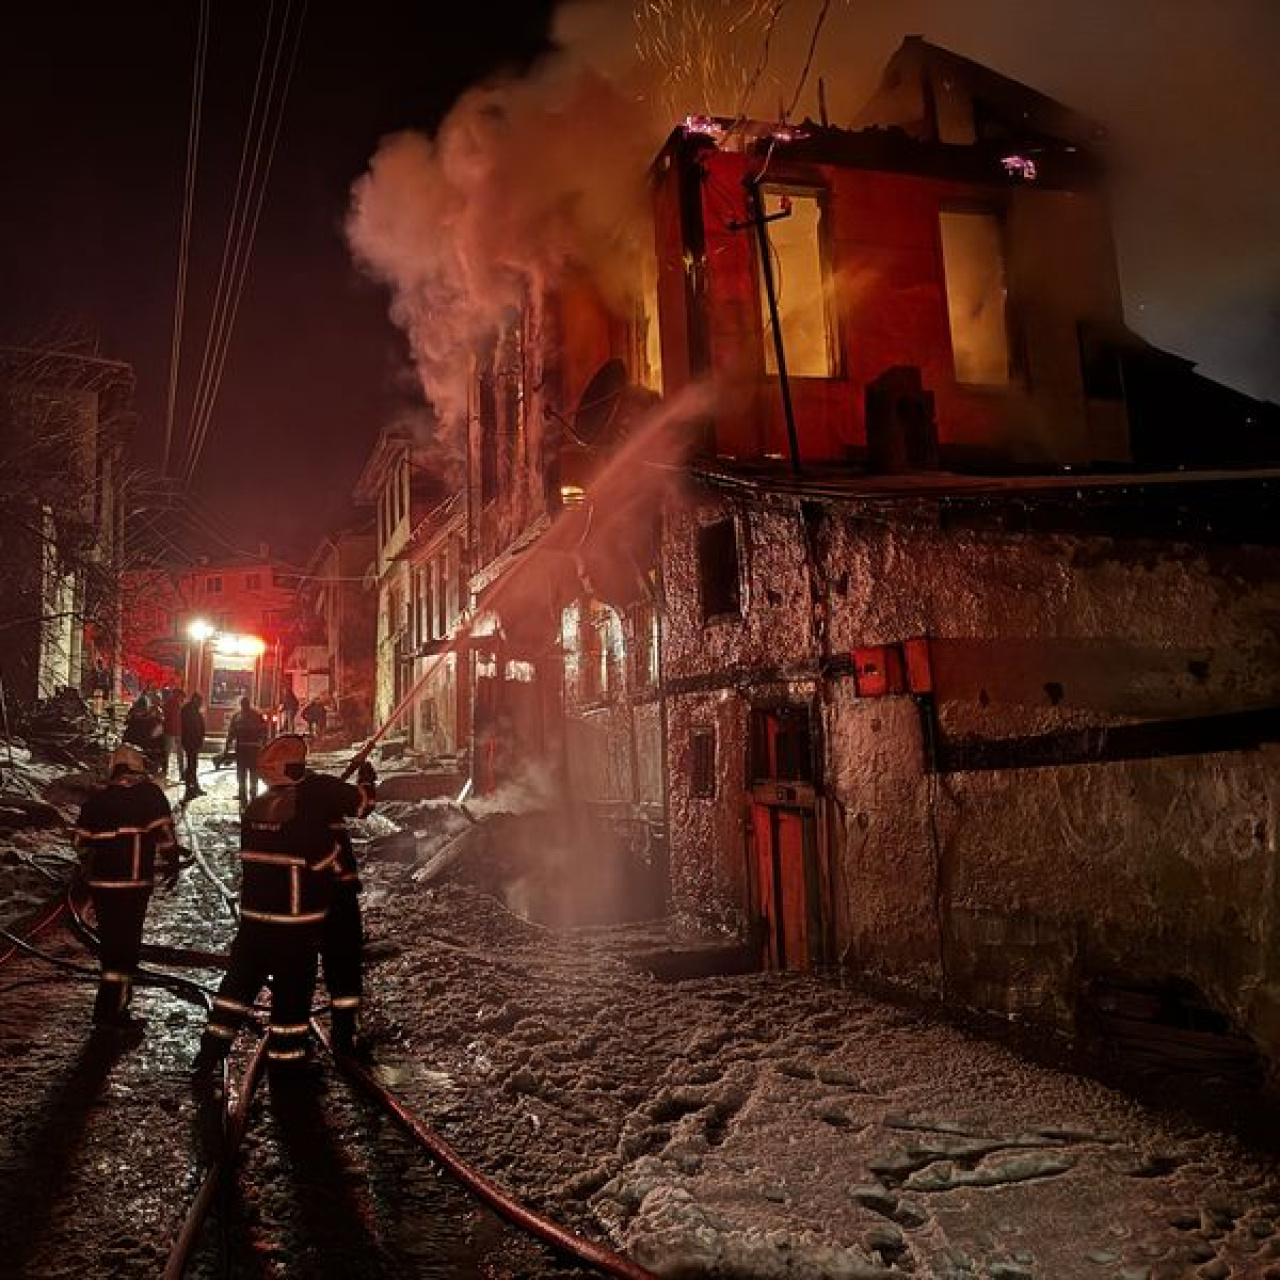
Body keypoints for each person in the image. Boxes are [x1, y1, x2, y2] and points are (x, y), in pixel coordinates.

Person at [192, 734, 376, 1078]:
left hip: (261, 916)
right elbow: (352, 819)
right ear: (297, 765)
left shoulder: (257, 808)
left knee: (239, 984)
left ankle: (210, 1050)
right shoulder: (318, 795)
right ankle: (327, 1046)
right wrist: (367, 780)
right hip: (308, 910)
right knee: (328, 972)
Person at [73, 744, 180, 1029]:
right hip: (133, 886)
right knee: (126, 949)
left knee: (111, 947)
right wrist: (172, 864)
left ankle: (107, 1010)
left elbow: (80, 843)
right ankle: (114, 1014)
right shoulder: (149, 796)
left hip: (102, 886)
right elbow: (165, 838)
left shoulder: (97, 801)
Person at [224, 695, 269, 807]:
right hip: (253, 749)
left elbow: (231, 733)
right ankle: (252, 794)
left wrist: (227, 748)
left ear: (241, 705)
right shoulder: (257, 716)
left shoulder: (237, 716)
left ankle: (243, 794)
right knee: (252, 773)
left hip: (242, 749)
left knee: (242, 773)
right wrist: (264, 747)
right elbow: (264, 731)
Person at [180, 691, 206, 800]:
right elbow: (191, 727)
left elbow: (199, 725)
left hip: (192, 741)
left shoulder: (191, 709)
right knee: (192, 765)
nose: (201, 703)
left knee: (192, 764)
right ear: (196, 700)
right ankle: (190, 788)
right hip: (190, 741)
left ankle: (193, 787)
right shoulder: (189, 710)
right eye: (200, 701)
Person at [160, 686, 184, 782]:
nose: (182, 699)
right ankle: (180, 773)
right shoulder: (172, 704)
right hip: (173, 731)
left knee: (169, 753)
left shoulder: (171, 704)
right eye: (181, 697)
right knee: (175, 753)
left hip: (173, 731)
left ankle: (167, 771)